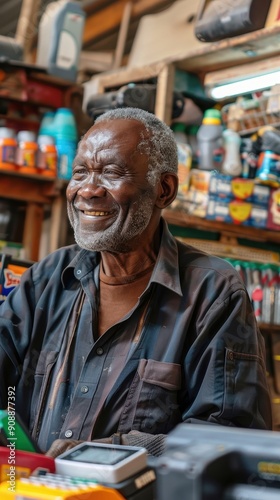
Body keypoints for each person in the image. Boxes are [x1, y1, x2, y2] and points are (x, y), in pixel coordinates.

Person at [0, 108, 272, 458]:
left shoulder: (213, 294)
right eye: (80, 172)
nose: (88, 190)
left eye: (111, 173)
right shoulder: (48, 277)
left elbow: (230, 439)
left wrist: (106, 453)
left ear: (163, 190)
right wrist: (12, 451)